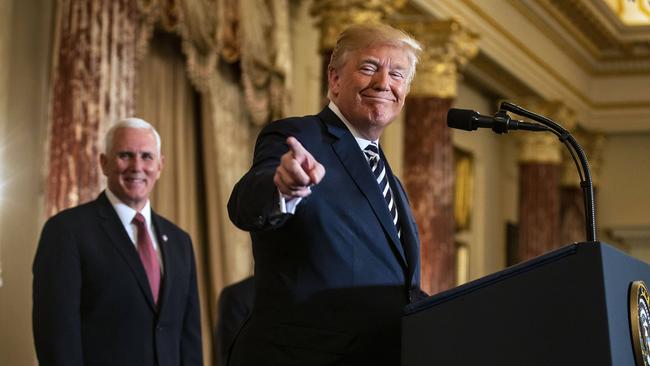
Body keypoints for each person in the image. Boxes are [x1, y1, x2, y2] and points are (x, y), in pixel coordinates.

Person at [227, 23, 426, 365]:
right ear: (334, 80)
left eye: (397, 74)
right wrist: (285, 187)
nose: (384, 83)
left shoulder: (393, 184)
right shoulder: (299, 136)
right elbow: (246, 204)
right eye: (369, 68)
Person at [32, 118, 203, 366]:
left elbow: (189, 338)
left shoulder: (180, 242)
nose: (137, 166)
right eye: (125, 155)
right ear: (104, 163)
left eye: (146, 156)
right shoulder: (66, 231)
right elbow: (56, 337)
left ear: (160, 165)